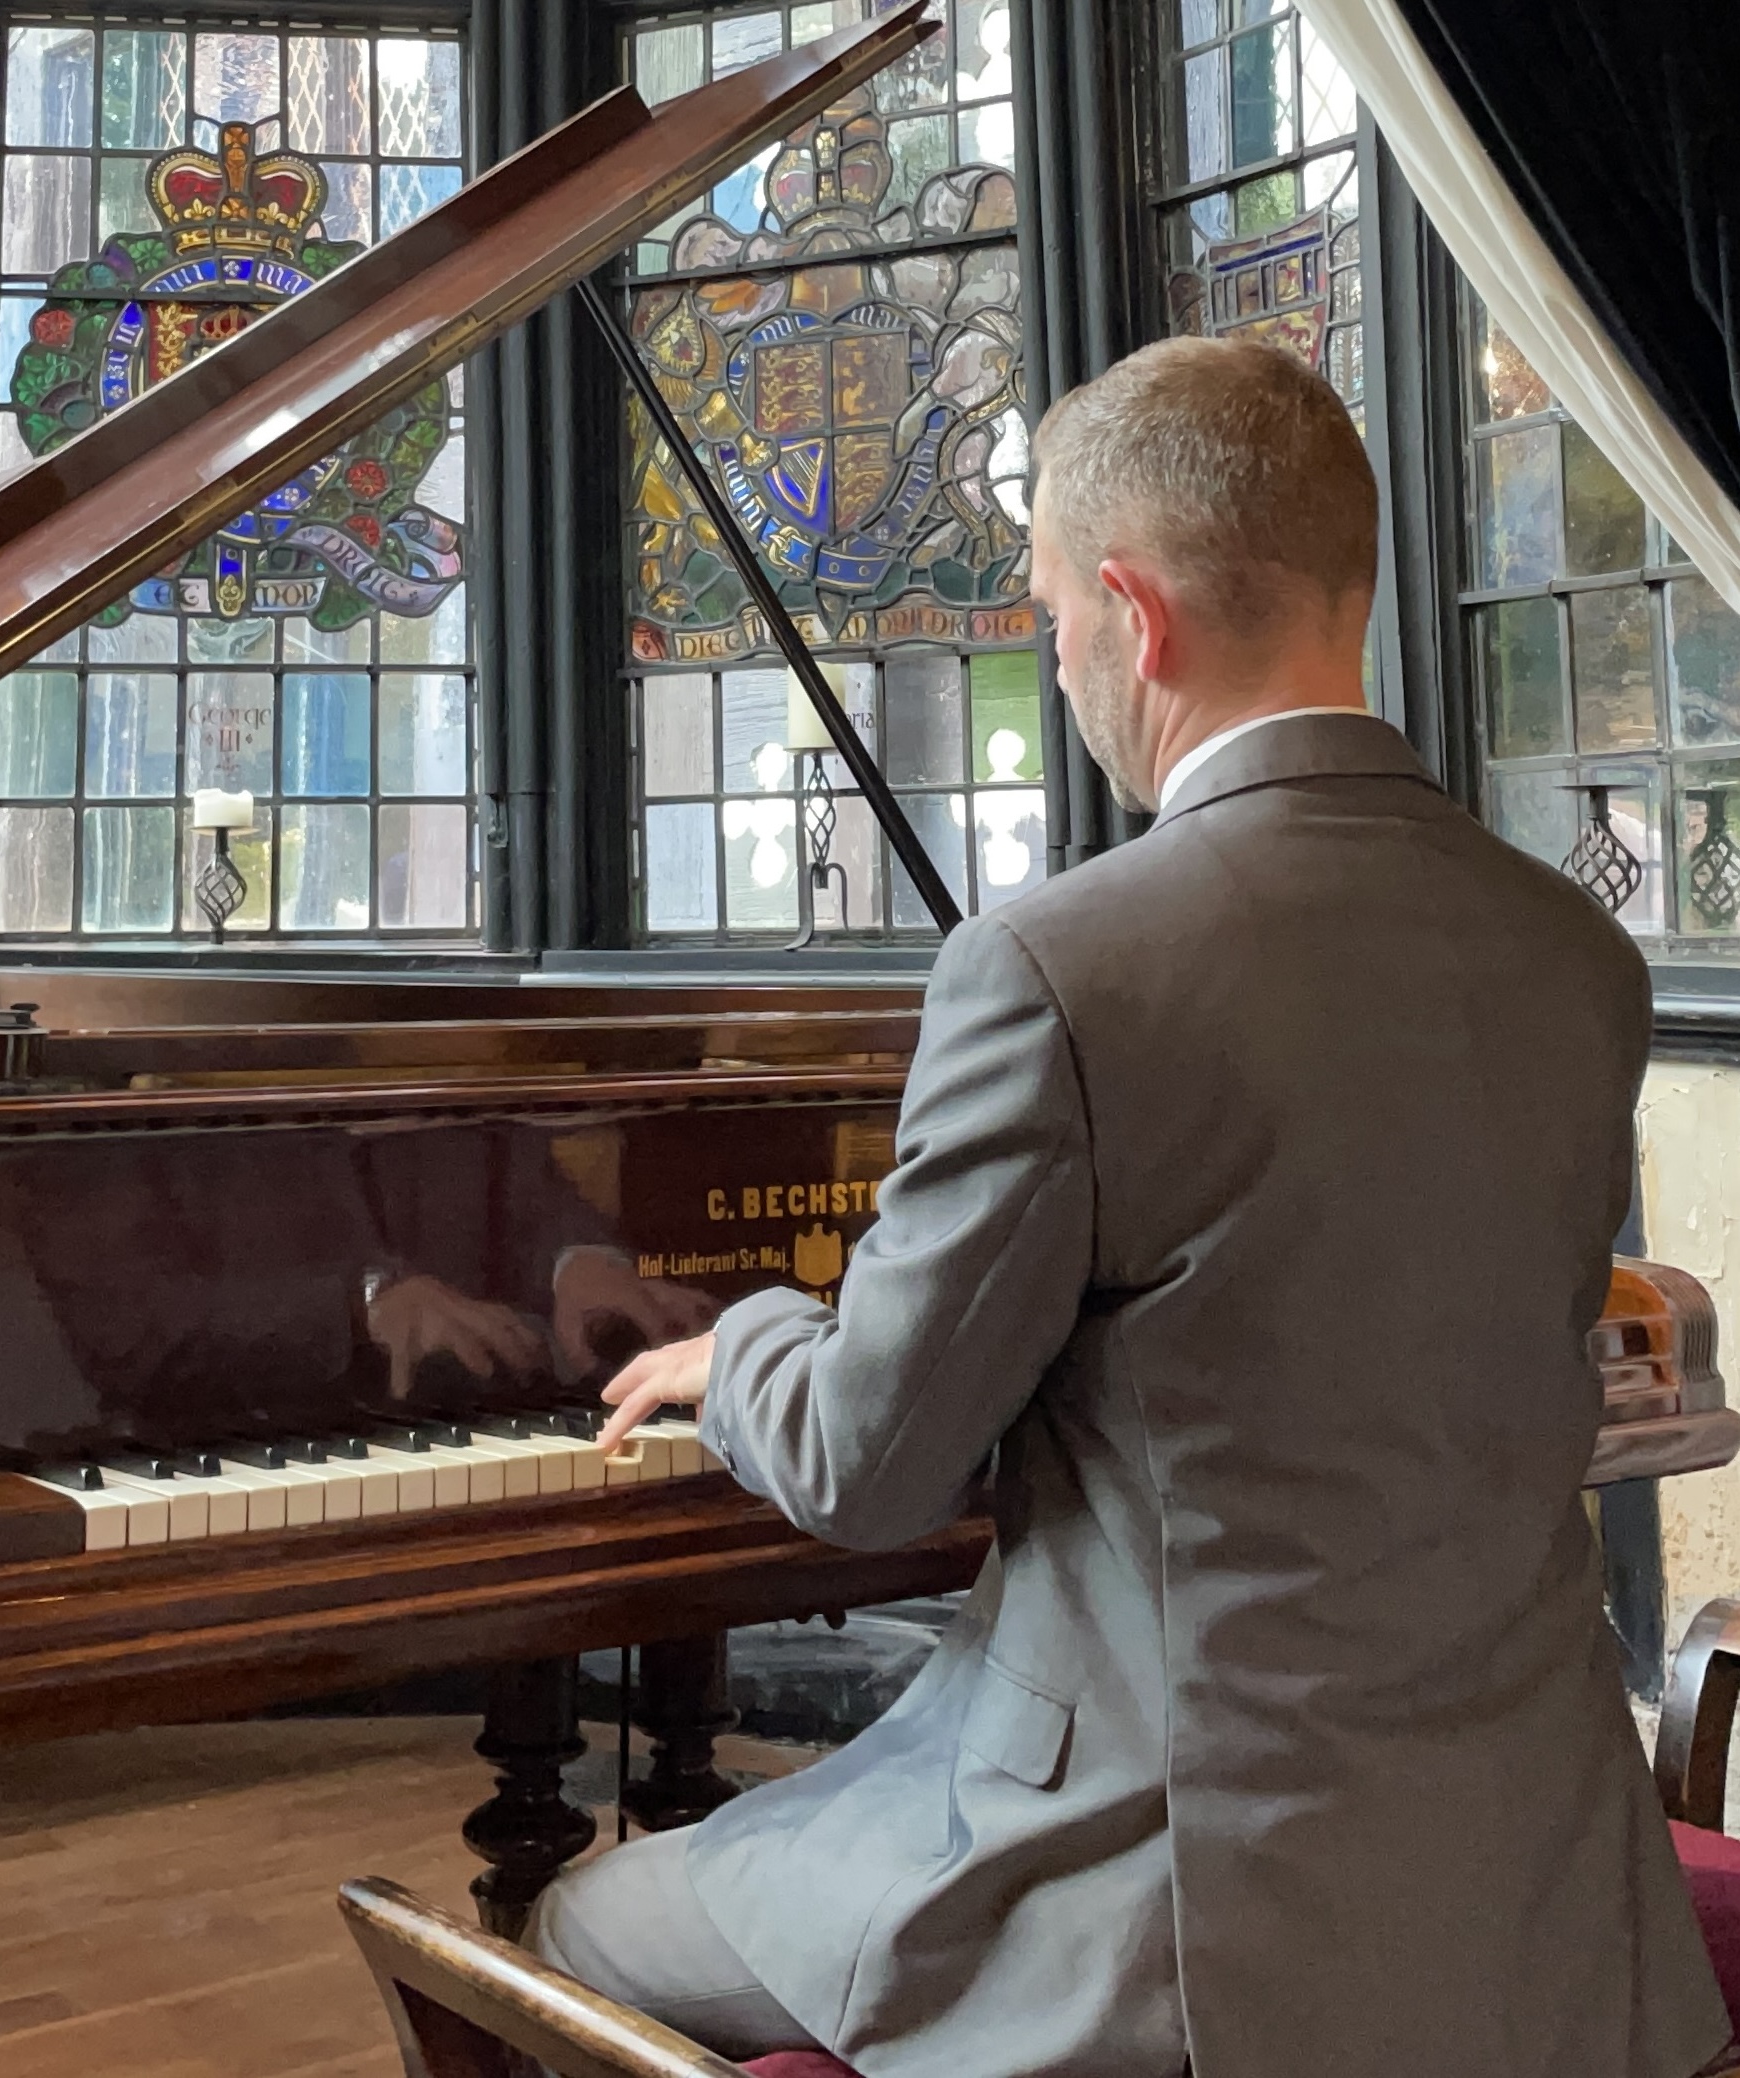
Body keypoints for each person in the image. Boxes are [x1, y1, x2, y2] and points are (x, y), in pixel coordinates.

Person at [527, 335, 1733, 2078]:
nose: (1061, 652)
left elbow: (871, 1465)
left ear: (1131, 613)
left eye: (1046, 614)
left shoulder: (1057, 966)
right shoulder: (1576, 957)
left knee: (571, 1925)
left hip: (1174, 1892)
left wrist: (751, 1343)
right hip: (1542, 1882)